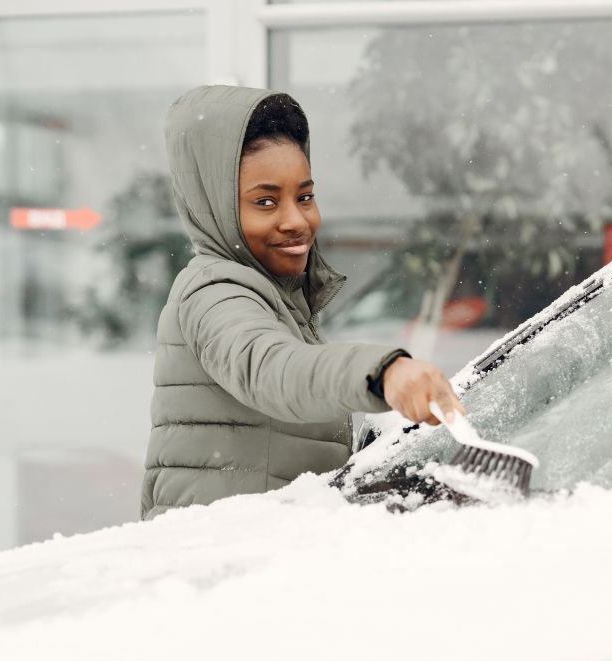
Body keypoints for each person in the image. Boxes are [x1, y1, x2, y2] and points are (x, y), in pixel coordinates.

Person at [142, 85, 464, 519]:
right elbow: (272, 369)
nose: (296, 221)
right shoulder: (215, 291)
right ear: (214, 205)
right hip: (219, 566)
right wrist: (383, 372)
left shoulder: (275, 296)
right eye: (265, 202)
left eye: (305, 197)